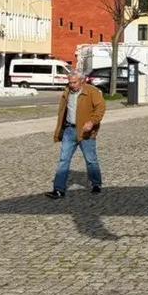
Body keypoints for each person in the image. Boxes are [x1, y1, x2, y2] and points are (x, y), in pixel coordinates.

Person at [45, 71, 106, 199]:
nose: (71, 85)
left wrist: (92, 122)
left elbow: (100, 108)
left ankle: (96, 184)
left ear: (82, 81)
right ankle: (58, 189)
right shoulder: (67, 91)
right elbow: (63, 111)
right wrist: (60, 129)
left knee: (90, 160)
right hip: (69, 130)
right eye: (70, 82)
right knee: (64, 160)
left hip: (85, 132)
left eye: (74, 82)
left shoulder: (92, 91)